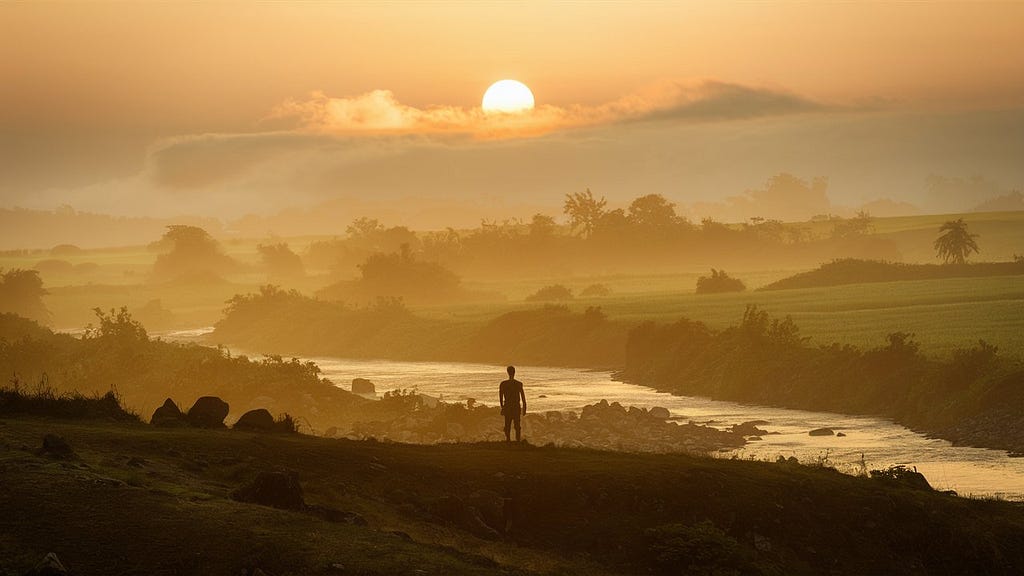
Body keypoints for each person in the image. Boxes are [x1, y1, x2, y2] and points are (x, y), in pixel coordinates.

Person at [499, 365, 527, 442]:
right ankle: (517, 441)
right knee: (517, 425)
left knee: (507, 425)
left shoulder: (503, 384)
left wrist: (502, 407)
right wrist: (524, 408)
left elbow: (501, 398)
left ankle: (508, 440)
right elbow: (523, 398)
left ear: (507, 372)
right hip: (516, 407)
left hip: (508, 406)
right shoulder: (518, 384)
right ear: (514, 372)